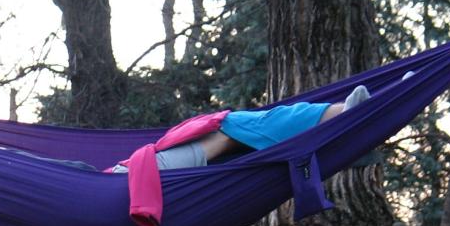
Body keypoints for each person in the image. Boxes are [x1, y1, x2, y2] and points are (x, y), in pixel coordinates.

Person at [110, 84, 372, 173]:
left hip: (138, 168)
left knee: (239, 131)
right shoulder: (76, 185)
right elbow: (80, 178)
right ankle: (345, 113)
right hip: (131, 174)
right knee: (230, 129)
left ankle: (358, 110)